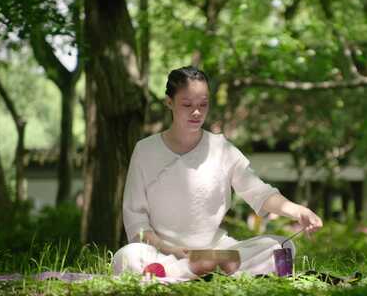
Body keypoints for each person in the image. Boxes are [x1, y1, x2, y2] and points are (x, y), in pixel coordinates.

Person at [111, 66, 323, 281]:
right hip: (162, 252)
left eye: (203, 105)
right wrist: (170, 250)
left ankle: (195, 270)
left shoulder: (222, 149)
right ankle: (195, 270)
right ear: (169, 102)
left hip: (217, 251)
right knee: (127, 257)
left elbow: (259, 192)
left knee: (282, 247)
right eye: (187, 105)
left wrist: (298, 212)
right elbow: (136, 221)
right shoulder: (146, 150)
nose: (197, 112)